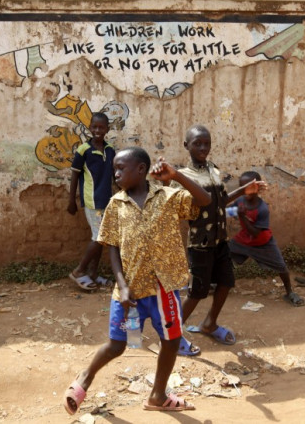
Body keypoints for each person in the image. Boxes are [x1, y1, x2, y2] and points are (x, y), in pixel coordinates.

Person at [63, 147, 210, 414]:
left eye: (122, 168)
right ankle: (86, 377)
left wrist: (176, 176)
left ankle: (158, 395)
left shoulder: (167, 196)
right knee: (117, 345)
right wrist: (122, 284)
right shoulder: (116, 205)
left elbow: (204, 200)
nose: (116, 174)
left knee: (171, 340)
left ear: (141, 170)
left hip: (164, 288)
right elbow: (112, 247)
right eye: (115, 169)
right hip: (129, 293)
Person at [175, 124, 265, 350]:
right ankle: (172, 336)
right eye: (197, 144)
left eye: (206, 143)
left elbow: (221, 201)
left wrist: (245, 191)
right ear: (187, 146)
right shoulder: (184, 176)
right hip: (200, 243)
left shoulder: (214, 170)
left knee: (226, 283)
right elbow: (193, 205)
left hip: (220, 240)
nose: (203, 147)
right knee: (196, 292)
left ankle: (209, 323)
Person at [229, 171, 305, 306]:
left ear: (258, 188)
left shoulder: (262, 208)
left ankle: (289, 293)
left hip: (262, 242)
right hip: (244, 239)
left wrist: (241, 216)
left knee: (281, 267)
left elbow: (256, 233)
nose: (245, 190)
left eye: (249, 187)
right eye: (242, 187)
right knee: (224, 254)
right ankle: (218, 282)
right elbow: (229, 211)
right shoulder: (240, 201)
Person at [67, 112, 116, 291]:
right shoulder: (83, 150)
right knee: (99, 237)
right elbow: (74, 175)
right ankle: (79, 270)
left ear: (107, 129)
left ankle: (93, 273)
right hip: (92, 201)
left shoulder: (110, 150)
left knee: (101, 238)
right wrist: (71, 200)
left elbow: (115, 175)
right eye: (94, 127)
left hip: (106, 200)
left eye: (101, 127)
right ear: (90, 128)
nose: (97, 130)